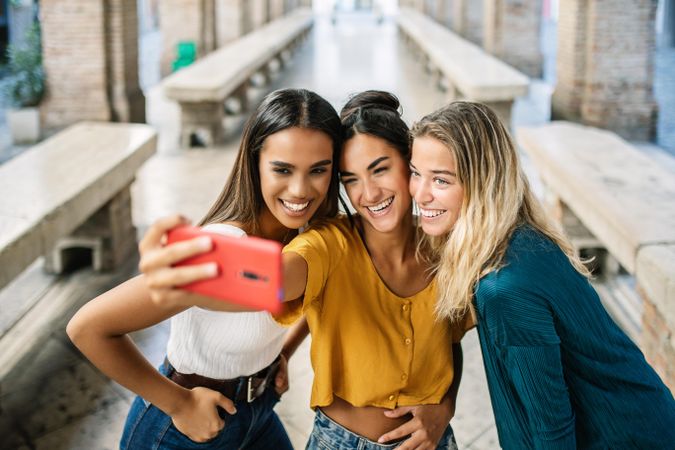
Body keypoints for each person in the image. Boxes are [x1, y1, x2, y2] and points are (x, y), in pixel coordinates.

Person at [140, 91, 474, 450]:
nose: (370, 193)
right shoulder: (328, 243)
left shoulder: (445, 246)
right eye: (351, 179)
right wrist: (193, 266)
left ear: (409, 165)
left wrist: (445, 407)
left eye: (380, 169)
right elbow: (276, 277)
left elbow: (448, 343)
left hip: (434, 442)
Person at [66, 88, 344, 449]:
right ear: (254, 162)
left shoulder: (310, 233)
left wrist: (282, 354)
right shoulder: (222, 242)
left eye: (318, 170)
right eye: (282, 169)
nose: (299, 189)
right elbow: (88, 328)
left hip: (257, 410)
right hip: (184, 426)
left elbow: (317, 288)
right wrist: (178, 403)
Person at [408, 100, 675, 449]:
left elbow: (551, 429)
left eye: (441, 180)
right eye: (415, 173)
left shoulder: (503, 288)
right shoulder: (523, 236)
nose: (420, 194)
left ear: (484, 184)